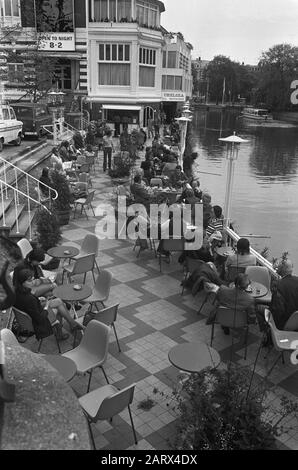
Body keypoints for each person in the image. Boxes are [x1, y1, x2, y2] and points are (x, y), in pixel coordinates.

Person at [13, 269, 82, 341]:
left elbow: (29, 306)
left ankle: (72, 325)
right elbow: (40, 318)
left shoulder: (15, 291)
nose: (33, 283)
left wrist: (39, 300)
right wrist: (46, 306)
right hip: (35, 322)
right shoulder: (29, 298)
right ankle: (61, 333)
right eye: (29, 281)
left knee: (58, 301)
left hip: (27, 316)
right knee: (59, 308)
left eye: (33, 279)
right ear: (22, 282)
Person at [269, 259, 298, 331]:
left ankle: (268, 334)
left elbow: (277, 311)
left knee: (259, 308)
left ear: (281, 269)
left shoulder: (278, 285)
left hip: (284, 324)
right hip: (296, 323)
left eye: (278, 267)